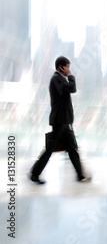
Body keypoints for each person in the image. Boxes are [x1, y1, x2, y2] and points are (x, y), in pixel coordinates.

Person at [30, 56, 90, 184]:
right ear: (61, 67)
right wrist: (70, 76)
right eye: (67, 67)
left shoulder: (59, 79)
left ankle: (80, 175)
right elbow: (72, 88)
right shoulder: (56, 79)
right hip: (60, 120)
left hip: (64, 120)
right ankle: (34, 173)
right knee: (51, 148)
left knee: (72, 148)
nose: (69, 69)